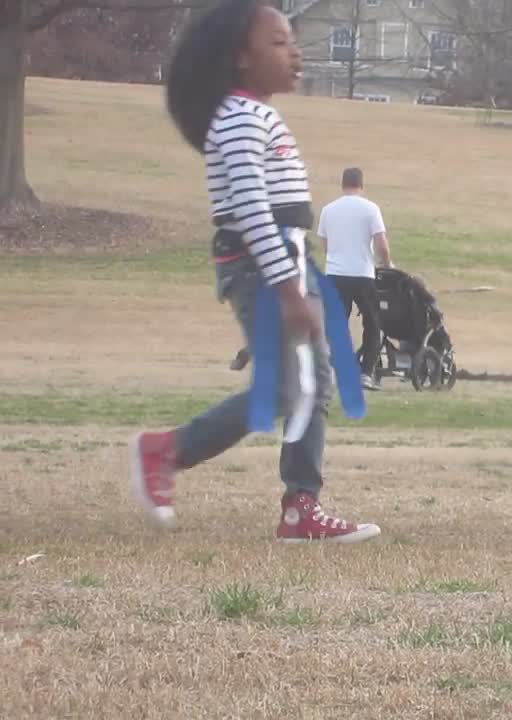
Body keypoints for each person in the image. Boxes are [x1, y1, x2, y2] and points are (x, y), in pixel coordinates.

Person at [130, 0, 380, 543]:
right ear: (241, 58)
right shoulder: (240, 119)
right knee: (287, 392)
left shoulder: (255, 113)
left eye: (292, 40)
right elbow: (251, 210)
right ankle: (168, 450)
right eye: (279, 42)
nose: (295, 52)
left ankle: (301, 507)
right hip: (265, 267)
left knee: (312, 386)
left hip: (285, 261)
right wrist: (288, 289)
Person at [318, 167, 393, 391]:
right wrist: (387, 265)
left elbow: (324, 243)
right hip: (362, 273)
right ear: (361, 185)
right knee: (372, 322)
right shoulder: (370, 209)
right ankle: (366, 373)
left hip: (335, 274)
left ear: (343, 184)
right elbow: (381, 244)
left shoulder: (328, 210)